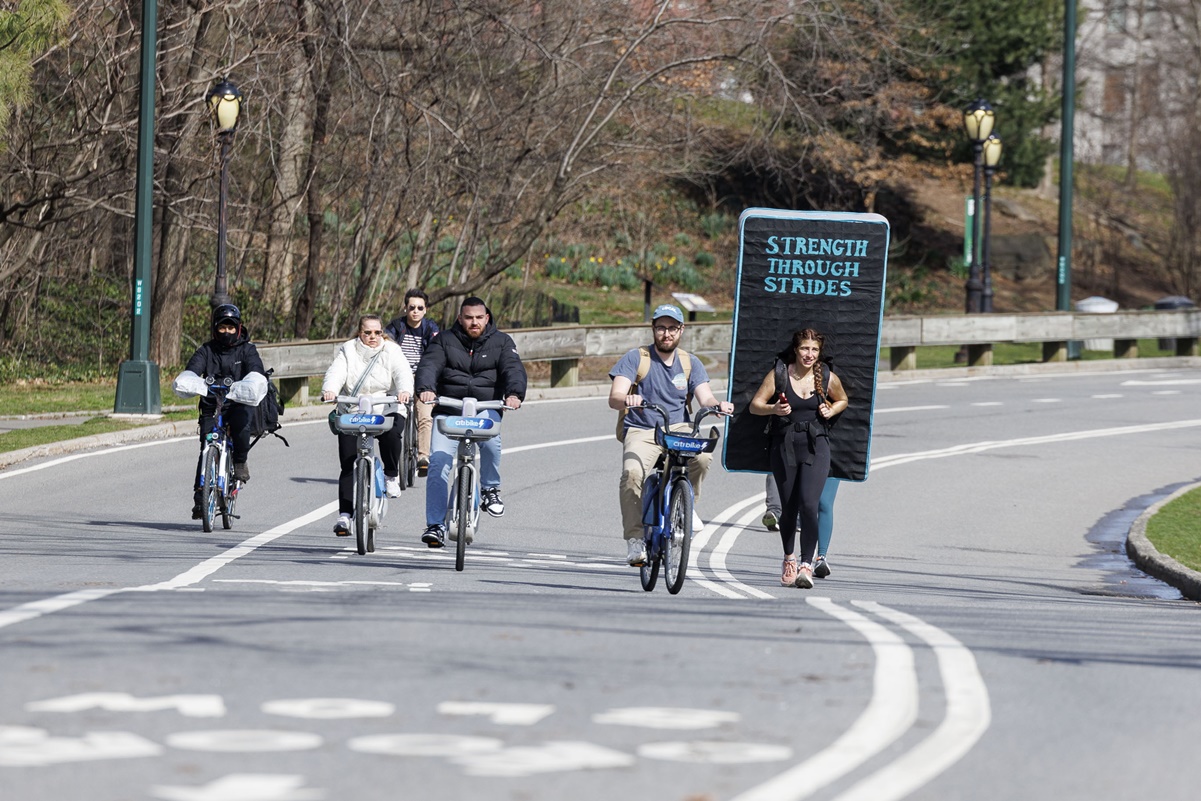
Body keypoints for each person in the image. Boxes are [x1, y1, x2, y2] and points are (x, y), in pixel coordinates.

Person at [608, 304, 734, 567]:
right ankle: (635, 540)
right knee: (632, 473)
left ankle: (686, 506)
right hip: (642, 428)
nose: (667, 333)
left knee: (701, 458)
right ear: (653, 329)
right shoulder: (637, 358)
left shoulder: (690, 363)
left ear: (681, 330)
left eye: (672, 328)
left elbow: (705, 396)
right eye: (661, 328)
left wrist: (717, 406)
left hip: (677, 428)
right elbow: (615, 397)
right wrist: (628, 398)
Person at [414, 297, 527, 547]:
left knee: (490, 441)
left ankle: (489, 489)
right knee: (439, 463)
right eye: (468, 317)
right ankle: (435, 525)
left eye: (478, 317)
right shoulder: (444, 340)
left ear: (487, 318)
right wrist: (425, 388)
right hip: (449, 408)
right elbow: (429, 365)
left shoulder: (502, 342)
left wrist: (514, 394)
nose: (473, 322)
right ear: (460, 318)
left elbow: (513, 368)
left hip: (485, 407)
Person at [748, 328, 848, 588]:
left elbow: (843, 399)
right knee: (789, 508)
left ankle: (806, 565)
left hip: (817, 445)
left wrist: (831, 407)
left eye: (814, 350)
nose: (809, 354)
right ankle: (789, 558)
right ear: (796, 349)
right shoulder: (780, 374)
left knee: (809, 504)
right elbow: (754, 405)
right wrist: (774, 408)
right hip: (785, 445)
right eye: (805, 348)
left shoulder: (826, 376)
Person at [321, 314, 414, 536]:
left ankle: (391, 475)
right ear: (359, 332)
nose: (373, 336)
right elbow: (337, 371)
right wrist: (330, 389)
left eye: (377, 332)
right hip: (354, 409)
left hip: (386, 406)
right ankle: (344, 515)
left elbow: (403, 372)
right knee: (348, 462)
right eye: (367, 332)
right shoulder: (348, 349)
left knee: (392, 435)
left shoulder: (391, 350)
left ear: (382, 332)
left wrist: (404, 392)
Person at [175, 304, 266, 519]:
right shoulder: (206, 350)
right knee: (206, 445)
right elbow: (193, 370)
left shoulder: (247, 349)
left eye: (231, 328)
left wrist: (249, 383)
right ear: (216, 329)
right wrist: (190, 380)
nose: (227, 332)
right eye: (222, 328)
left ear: (239, 328)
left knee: (242, 424)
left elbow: (256, 370)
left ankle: (240, 460)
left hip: (237, 402)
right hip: (212, 403)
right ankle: (200, 497)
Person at [384, 288, 440, 476]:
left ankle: (423, 456)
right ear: (405, 308)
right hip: (399, 377)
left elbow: (435, 354)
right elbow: (385, 344)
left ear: (426, 310)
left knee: (424, 414)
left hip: (423, 376)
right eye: (411, 307)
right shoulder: (396, 326)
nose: (415, 311)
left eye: (419, 308)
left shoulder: (431, 329)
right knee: (394, 415)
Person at [763, 475, 840, 578]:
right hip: (810, 461)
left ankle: (819, 558)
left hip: (830, 461)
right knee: (811, 503)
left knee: (822, 502)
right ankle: (810, 558)